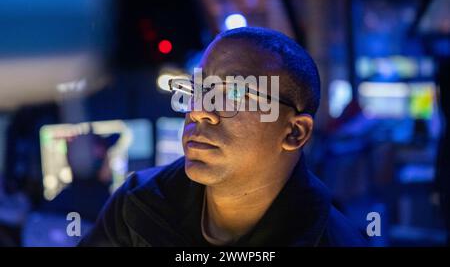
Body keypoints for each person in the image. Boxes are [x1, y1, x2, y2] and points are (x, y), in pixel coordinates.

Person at [79, 27, 367, 246]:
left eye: (233, 94)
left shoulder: (335, 239)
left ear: (294, 132)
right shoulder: (137, 206)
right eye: (198, 90)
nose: (200, 112)